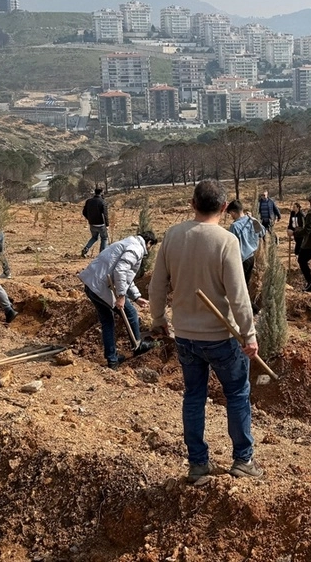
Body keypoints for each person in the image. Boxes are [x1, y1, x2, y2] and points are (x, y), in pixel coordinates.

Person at [149, 180, 262, 484]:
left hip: (185, 335)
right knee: (237, 393)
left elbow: (157, 284)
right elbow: (239, 296)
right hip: (222, 337)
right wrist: (249, 335)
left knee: (194, 396)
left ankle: (198, 464)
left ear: (192, 203)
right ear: (224, 208)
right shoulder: (226, 241)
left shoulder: (173, 235)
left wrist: (158, 318)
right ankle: (242, 460)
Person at [77, 231, 159, 368]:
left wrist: (137, 297)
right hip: (101, 286)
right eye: (151, 247)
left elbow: (126, 277)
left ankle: (112, 360)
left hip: (92, 284)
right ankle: (138, 346)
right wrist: (121, 296)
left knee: (107, 322)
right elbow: (120, 271)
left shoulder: (127, 243)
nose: (149, 250)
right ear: (149, 242)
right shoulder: (137, 248)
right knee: (131, 313)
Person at [81, 187, 110, 258]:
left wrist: (90, 219)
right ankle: (102, 254)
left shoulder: (89, 201)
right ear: (101, 192)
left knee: (94, 237)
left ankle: (86, 248)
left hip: (92, 224)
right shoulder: (102, 201)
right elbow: (105, 214)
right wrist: (107, 224)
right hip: (101, 224)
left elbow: (84, 212)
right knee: (104, 238)